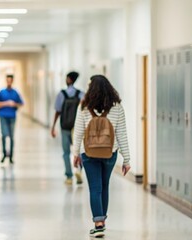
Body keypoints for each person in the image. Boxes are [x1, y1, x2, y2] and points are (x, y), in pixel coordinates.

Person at [72, 75, 131, 238]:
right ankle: (102, 220)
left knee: (95, 187)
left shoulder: (84, 106)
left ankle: (98, 223)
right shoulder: (117, 107)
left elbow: (78, 132)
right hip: (110, 153)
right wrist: (126, 159)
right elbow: (121, 134)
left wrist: (76, 153)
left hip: (88, 153)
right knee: (104, 186)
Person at [50, 71, 85, 185]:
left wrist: (53, 126)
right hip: (78, 128)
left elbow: (58, 111)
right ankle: (79, 171)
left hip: (64, 126)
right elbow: (85, 111)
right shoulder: (81, 94)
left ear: (69, 79)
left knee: (66, 153)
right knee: (79, 151)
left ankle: (69, 176)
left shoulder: (62, 94)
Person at [0, 75, 24, 164]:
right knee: (4, 135)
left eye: (10, 81)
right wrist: (6, 103)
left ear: (12, 81)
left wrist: (14, 104)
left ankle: (11, 156)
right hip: (3, 115)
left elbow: (21, 104)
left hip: (12, 116)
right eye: (7, 81)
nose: (9, 82)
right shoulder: (2, 92)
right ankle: (4, 153)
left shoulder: (15, 93)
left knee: (11, 137)